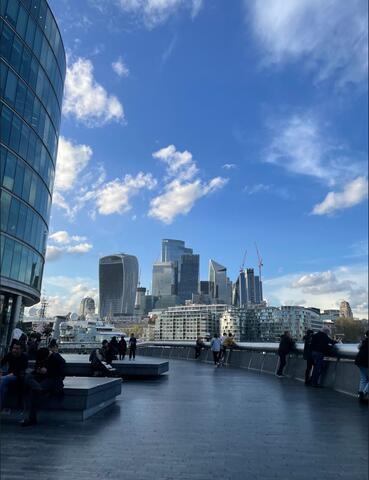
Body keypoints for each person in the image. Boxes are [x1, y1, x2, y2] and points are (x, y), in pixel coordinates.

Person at [22, 340, 66, 426]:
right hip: (41, 378)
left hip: (52, 379)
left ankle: (32, 418)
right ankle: (38, 388)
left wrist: (47, 371)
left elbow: (60, 375)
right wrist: (38, 370)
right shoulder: (41, 355)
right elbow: (37, 366)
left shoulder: (57, 358)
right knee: (27, 377)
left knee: (33, 392)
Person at [0, 341, 28, 410]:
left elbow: (22, 371)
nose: (14, 350)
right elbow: (1, 363)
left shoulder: (24, 357)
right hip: (9, 376)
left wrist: (12, 374)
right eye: (14, 348)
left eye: (17, 348)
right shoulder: (10, 355)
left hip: (18, 378)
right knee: (3, 385)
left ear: (21, 350)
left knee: (3, 379)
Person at [355, 330, 368, 404]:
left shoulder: (364, 341)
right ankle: (364, 394)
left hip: (359, 361)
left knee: (363, 378)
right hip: (366, 362)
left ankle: (360, 394)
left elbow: (358, 347)